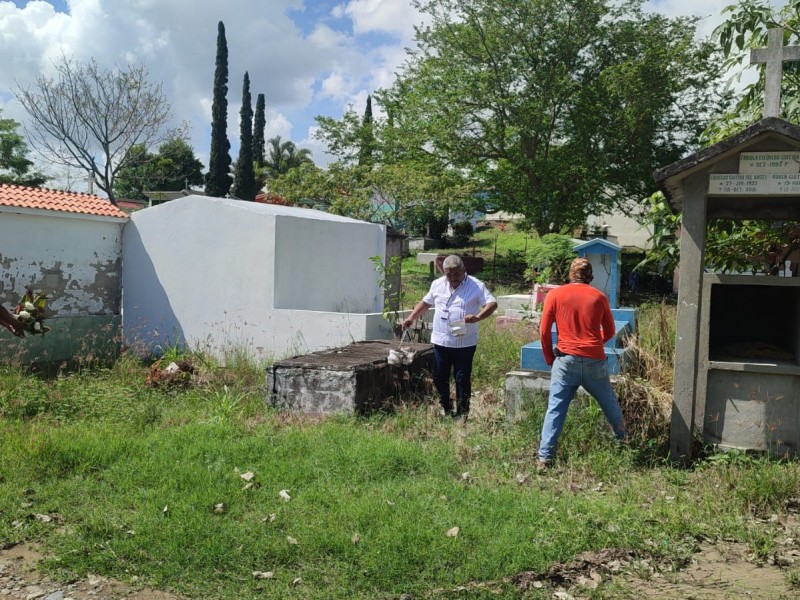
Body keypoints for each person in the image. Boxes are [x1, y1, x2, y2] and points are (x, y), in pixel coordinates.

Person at [537, 258, 626, 469]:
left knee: (556, 409)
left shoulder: (555, 295)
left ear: (570, 274)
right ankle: (625, 443)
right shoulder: (599, 297)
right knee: (609, 403)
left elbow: (543, 331)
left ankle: (545, 458)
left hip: (565, 360)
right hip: (595, 360)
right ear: (590, 276)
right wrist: (594, 345)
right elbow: (611, 331)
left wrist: (550, 358)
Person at [402, 255, 497, 419]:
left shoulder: (476, 285)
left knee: (461, 378)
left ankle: (462, 414)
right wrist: (411, 317)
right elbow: (425, 303)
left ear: (464, 270)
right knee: (439, 377)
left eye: (457, 274)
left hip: (464, 342)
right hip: (441, 340)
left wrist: (478, 317)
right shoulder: (437, 284)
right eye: (449, 275)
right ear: (444, 272)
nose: (453, 278)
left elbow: (492, 303)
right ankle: (445, 408)